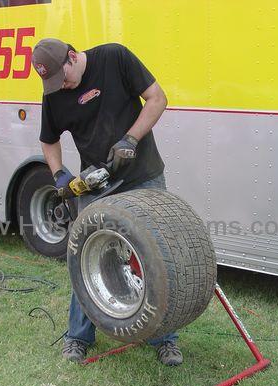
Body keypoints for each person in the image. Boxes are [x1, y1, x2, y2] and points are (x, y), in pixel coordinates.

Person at [31, 38, 183, 366]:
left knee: (156, 255)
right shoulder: (54, 93)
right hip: (97, 184)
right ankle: (78, 336)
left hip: (143, 175)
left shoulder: (114, 58)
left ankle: (164, 339)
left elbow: (158, 98)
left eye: (63, 77)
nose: (62, 87)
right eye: (53, 84)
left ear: (72, 56)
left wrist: (131, 138)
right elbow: (49, 141)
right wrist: (59, 175)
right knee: (86, 256)